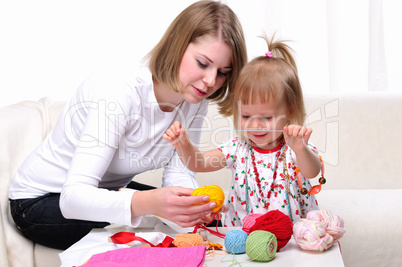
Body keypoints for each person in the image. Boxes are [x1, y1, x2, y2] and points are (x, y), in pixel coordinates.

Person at [8, 0, 247, 250]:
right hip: (38, 203)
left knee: (181, 213)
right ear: (176, 44)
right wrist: (152, 205)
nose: (210, 81)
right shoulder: (119, 91)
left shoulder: (196, 99)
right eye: (202, 63)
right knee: (153, 212)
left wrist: (194, 205)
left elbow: (180, 171)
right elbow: (72, 199)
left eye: (223, 72)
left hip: (105, 190)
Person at [164, 35, 323, 227]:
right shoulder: (237, 148)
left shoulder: (294, 147)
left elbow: (312, 171)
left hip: (292, 240)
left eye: (266, 118)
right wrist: (183, 144)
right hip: (244, 240)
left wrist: (300, 149)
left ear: (290, 109)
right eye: (246, 116)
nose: (255, 125)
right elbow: (199, 163)